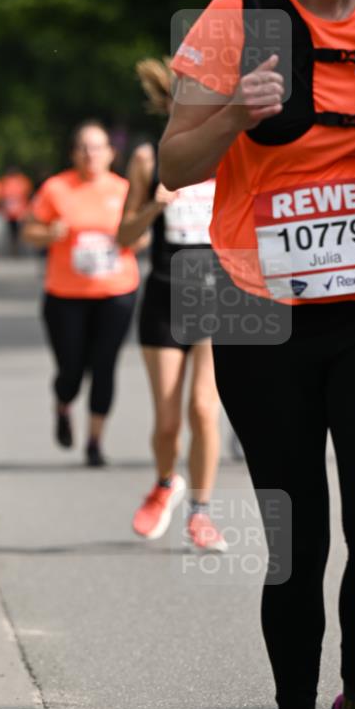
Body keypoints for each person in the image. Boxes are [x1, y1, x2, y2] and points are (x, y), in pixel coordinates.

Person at [159, 0, 355, 709]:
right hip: (259, 312)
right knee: (299, 544)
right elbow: (171, 165)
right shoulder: (241, 12)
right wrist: (237, 113)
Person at [117, 59, 227, 553]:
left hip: (216, 289)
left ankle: (201, 513)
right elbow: (122, 236)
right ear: (169, 103)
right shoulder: (147, 159)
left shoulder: (229, 151)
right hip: (164, 289)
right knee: (167, 420)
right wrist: (154, 206)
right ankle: (165, 483)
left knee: (204, 409)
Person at [22, 121, 142, 466]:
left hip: (116, 291)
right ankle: (63, 403)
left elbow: (142, 236)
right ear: (74, 153)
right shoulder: (56, 188)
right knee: (71, 369)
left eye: (98, 147)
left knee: (104, 367)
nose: (91, 154)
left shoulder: (124, 189)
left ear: (110, 153)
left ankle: (94, 441)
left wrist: (131, 237)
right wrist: (49, 234)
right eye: (84, 148)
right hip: (65, 294)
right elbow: (29, 231)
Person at [0, 166, 33, 255]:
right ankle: (18, 252)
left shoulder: (6, 181)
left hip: (13, 213)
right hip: (17, 213)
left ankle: (12, 251)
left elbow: (2, 197)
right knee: (19, 234)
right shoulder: (23, 181)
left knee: (13, 234)